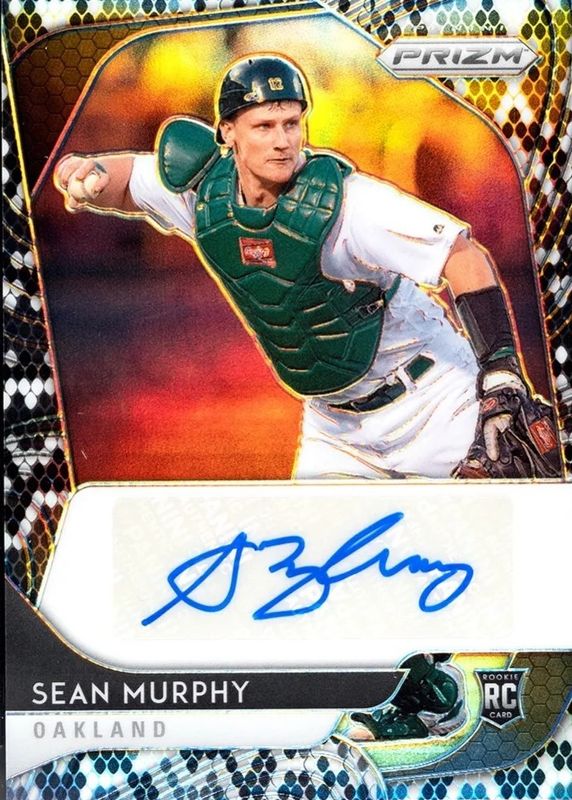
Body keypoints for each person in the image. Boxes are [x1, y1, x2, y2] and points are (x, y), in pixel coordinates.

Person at [54, 54, 559, 481]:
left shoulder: (348, 204)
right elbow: (125, 180)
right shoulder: (205, 196)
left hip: (436, 403)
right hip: (336, 428)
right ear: (227, 132)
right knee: (315, 558)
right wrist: (81, 172)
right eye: (264, 126)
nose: (282, 140)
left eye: (291, 123)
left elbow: (463, 255)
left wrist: (502, 374)